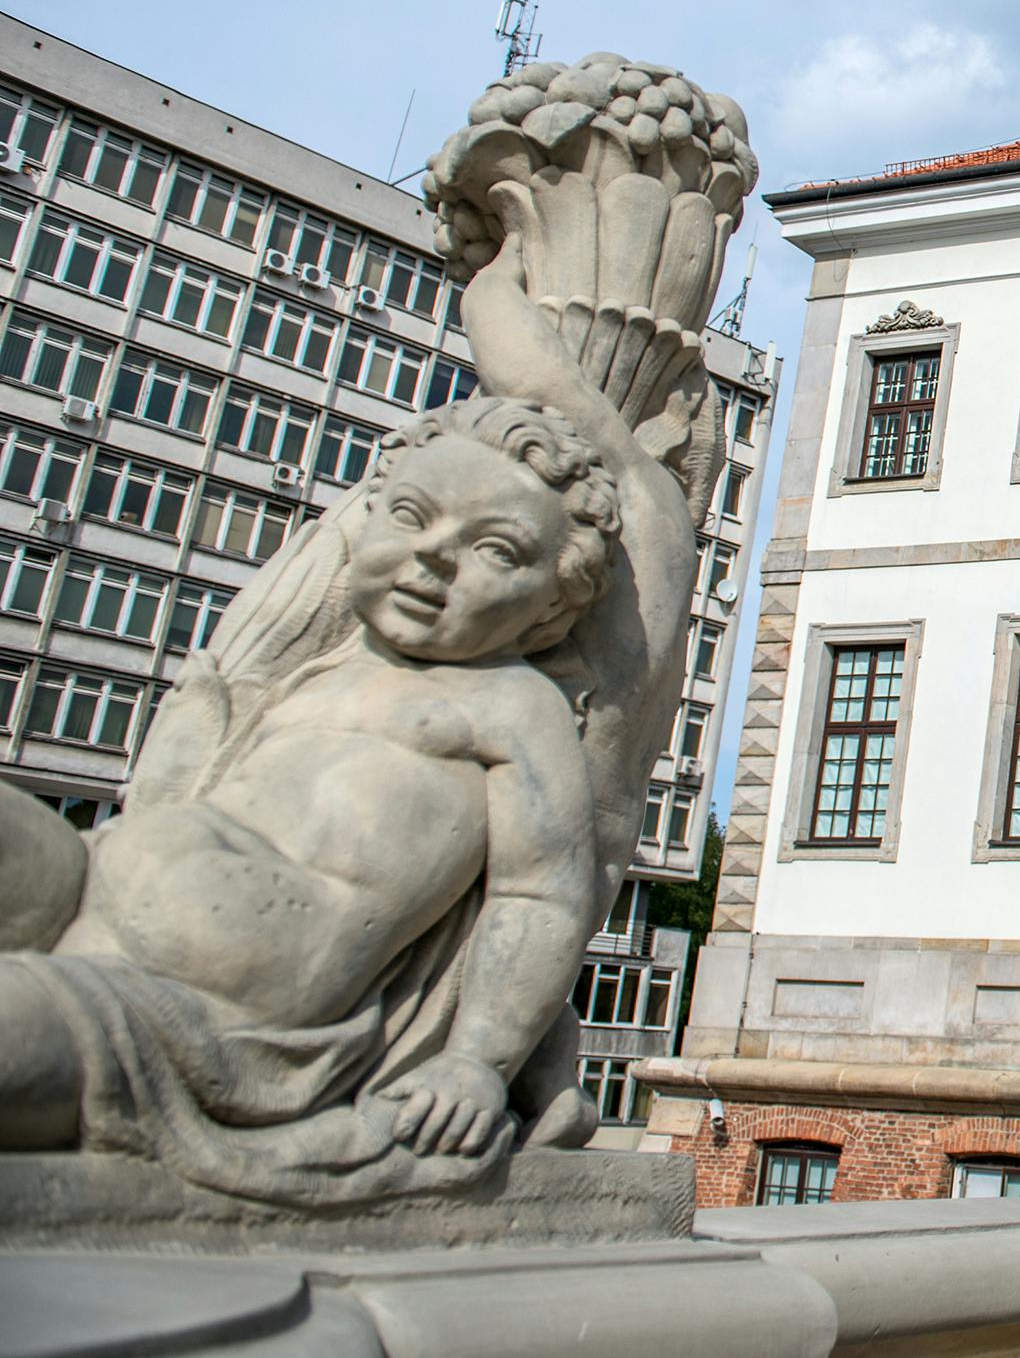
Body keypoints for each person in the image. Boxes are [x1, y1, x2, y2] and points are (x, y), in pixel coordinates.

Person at [0, 396, 622, 1196]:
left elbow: (540, 895)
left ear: (552, 604)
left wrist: (475, 1060)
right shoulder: (322, 660)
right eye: (411, 514)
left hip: (200, 1016)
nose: (433, 555)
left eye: (496, 549)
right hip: (85, 879)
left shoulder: (511, 704)